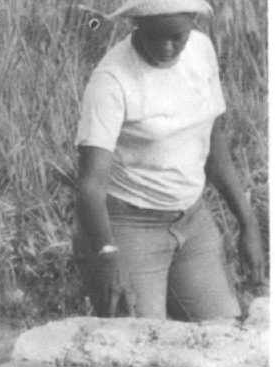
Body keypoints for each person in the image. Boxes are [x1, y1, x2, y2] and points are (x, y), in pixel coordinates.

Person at [74, 0, 265, 321]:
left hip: (191, 220)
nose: (166, 48)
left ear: (193, 22)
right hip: (129, 224)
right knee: (141, 344)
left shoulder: (202, 51)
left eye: (177, 36)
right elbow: (90, 183)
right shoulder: (112, 79)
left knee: (222, 334)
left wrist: (248, 224)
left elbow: (215, 150)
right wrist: (108, 255)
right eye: (154, 36)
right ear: (136, 25)